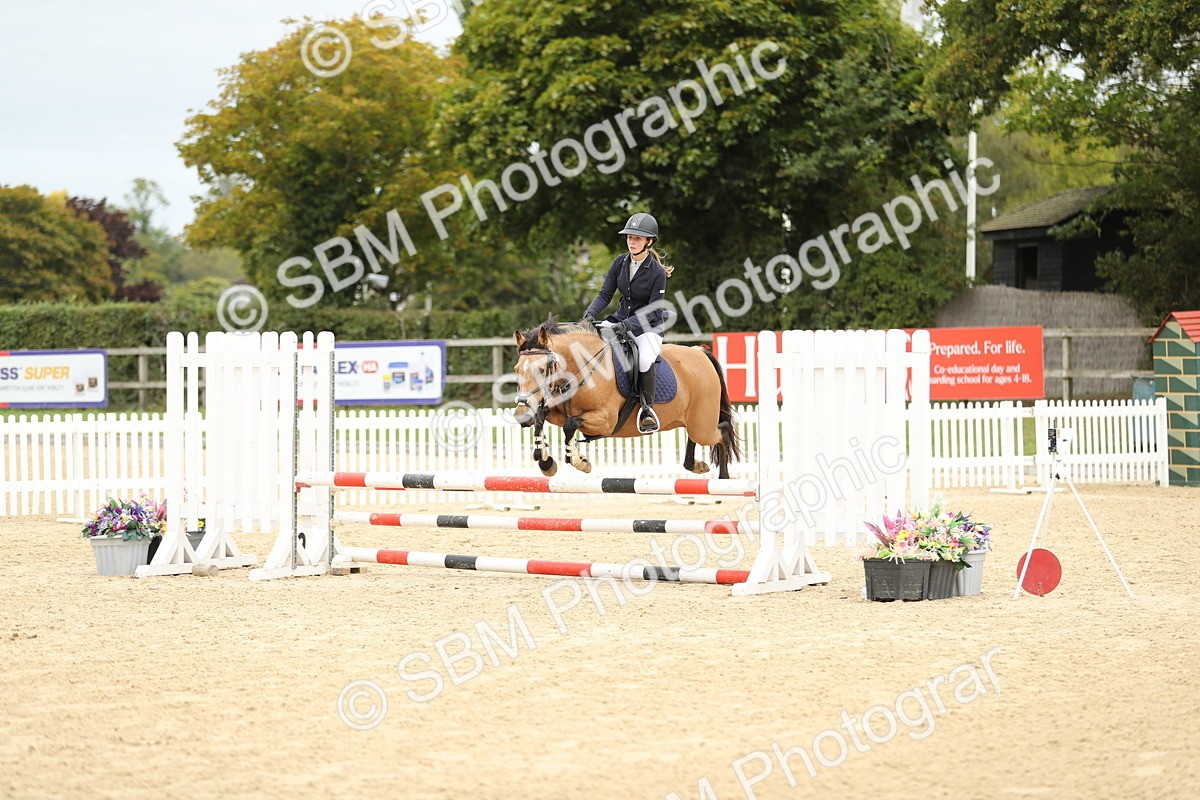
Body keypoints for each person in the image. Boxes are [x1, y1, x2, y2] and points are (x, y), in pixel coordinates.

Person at [582, 212, 671, 434]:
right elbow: (605, 294)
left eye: (637, 238)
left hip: (648, 328)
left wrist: (628, 326)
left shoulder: (657, 272)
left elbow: (654, 309)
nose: (632, 241)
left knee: (644, 360)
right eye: (630, 237)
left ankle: (647, 410)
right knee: (592, 348)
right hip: (619, 320)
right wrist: (590, 314)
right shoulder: (620, 262)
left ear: (649, 242)